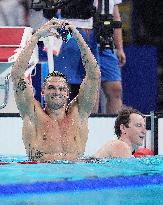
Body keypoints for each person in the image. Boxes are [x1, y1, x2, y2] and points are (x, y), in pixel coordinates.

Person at [11, 18, 100, 162]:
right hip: (43, 177)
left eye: (61, 88)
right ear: (42, 92)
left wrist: (77, 37)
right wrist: (37, 36)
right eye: (51, 88)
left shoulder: (78, 113)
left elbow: (94, 76)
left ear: (68, 93)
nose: (57, 92)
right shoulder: (33, 114)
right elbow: (16, 76)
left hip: (74, 176)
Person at [94, 0, 126, 114]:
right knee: (92, 90)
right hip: (84, 41)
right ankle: (88, 127)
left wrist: (119, 48)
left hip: (105, 44)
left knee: (115, 89)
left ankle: (115, 128)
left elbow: (116, 19)